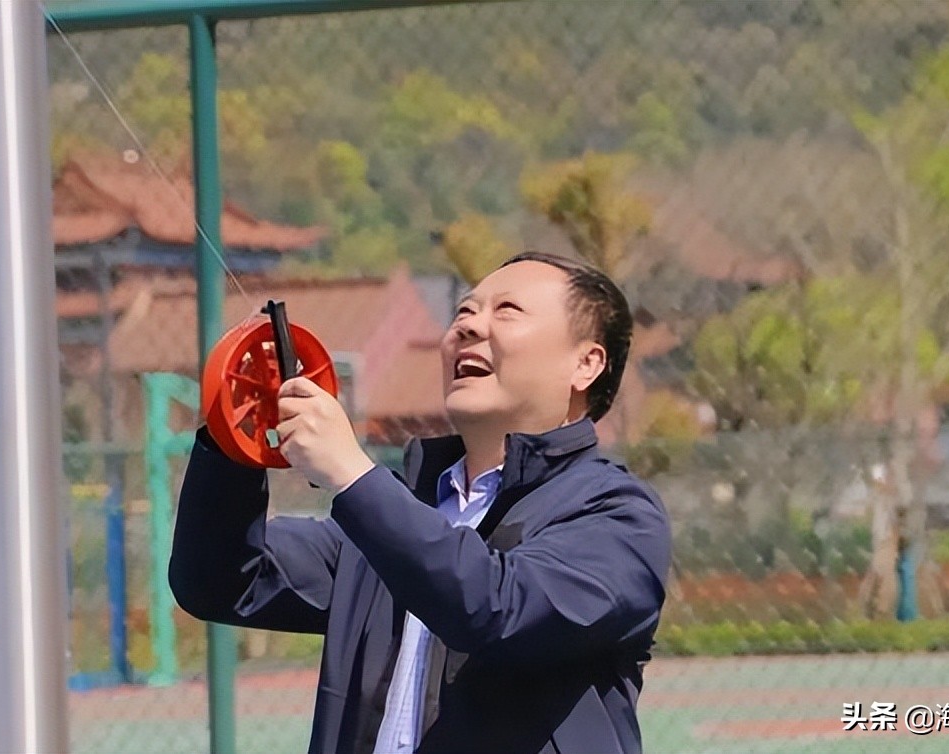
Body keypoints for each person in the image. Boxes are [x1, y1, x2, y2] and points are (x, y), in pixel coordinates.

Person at [169, 251, 671, 754]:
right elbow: (223, 579)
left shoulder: (618, 516)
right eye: (464, 312)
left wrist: (352, 474)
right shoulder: (391, 521)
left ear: (586, 364)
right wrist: (236, 434)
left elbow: (498, 607)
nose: (469, 327)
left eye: (507, 311)